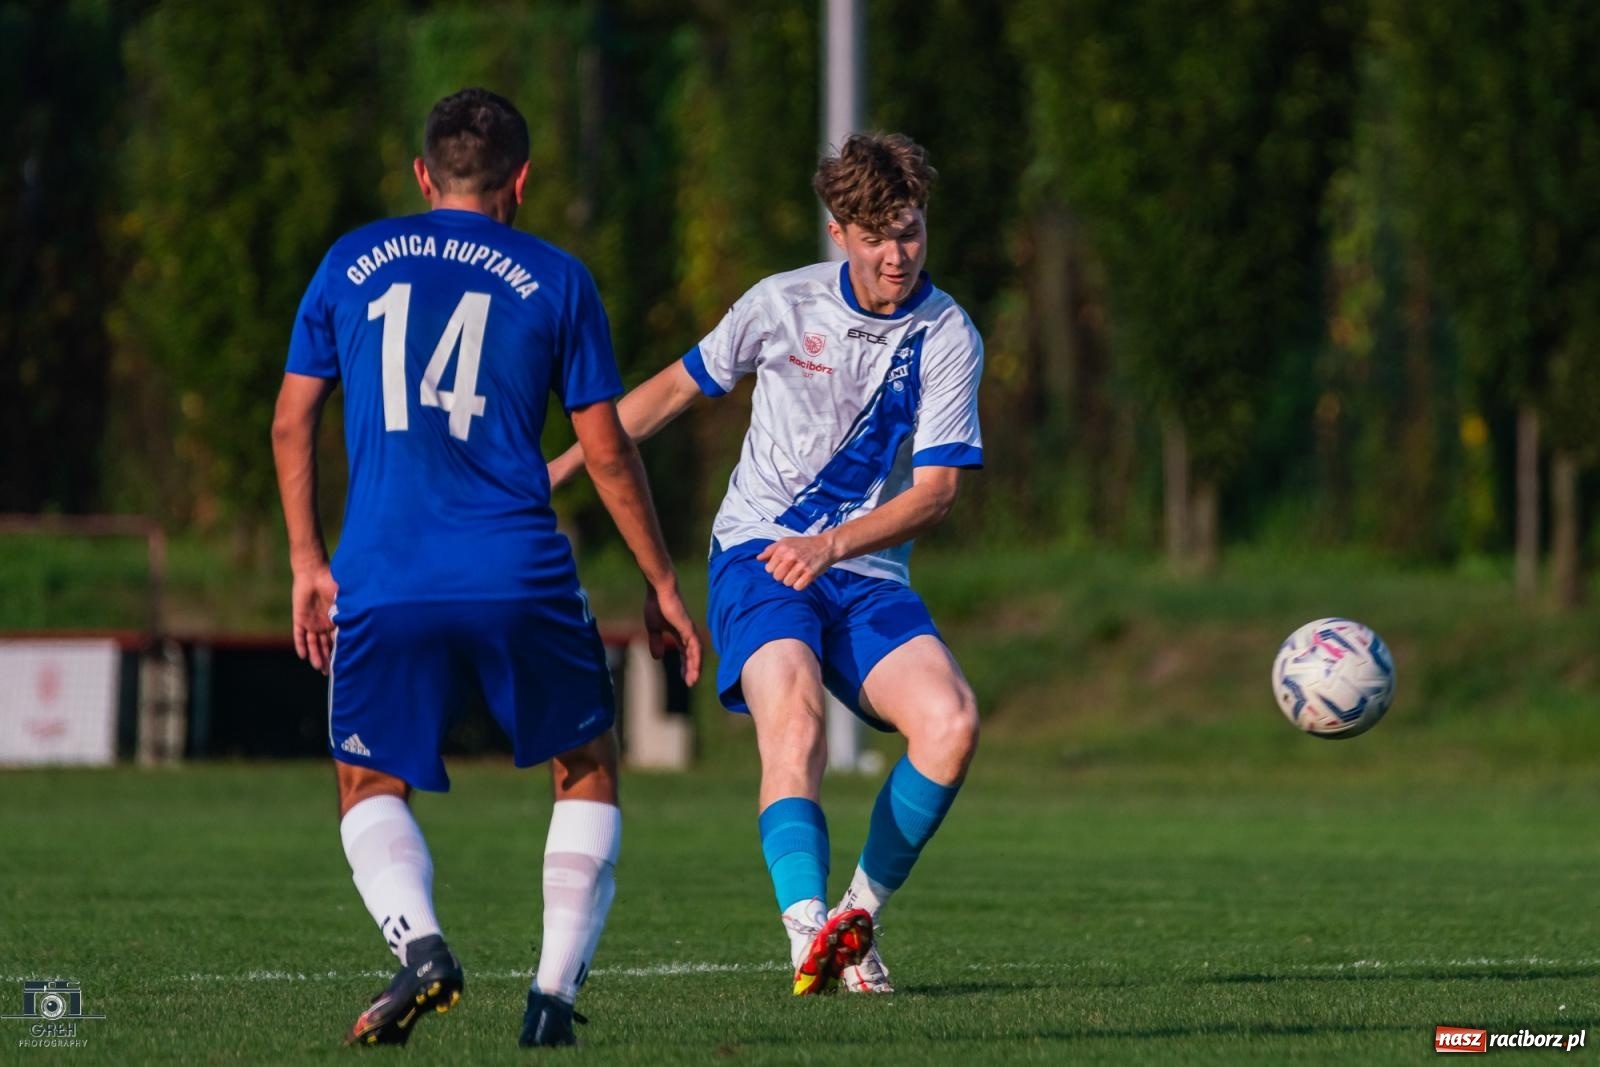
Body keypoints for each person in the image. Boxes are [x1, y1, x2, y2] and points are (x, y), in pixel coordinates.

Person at [271, 87, 700, 1048]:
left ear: (424, 176)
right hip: (520, 571)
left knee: (366, 780)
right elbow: (606, 451)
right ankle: (550, 997)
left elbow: (291, 420)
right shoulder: (558, 277)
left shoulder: (350, 261)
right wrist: (664, 584)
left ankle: (422, 948)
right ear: (523, 180)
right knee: (585, 764)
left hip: (383, 573)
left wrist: (307, 560)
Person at [549, 132, 983, 996]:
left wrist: (831, 545)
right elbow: (671, 391)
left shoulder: (946, 334)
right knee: (796, 723)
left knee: (953, 722)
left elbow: (935, 492)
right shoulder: (780, 305)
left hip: (862, 571)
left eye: (911, 231)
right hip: (756, 550)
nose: (898, 254)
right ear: (839, 232)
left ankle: (851, 927)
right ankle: (804, 932)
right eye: (878, 236)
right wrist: (555, 472)